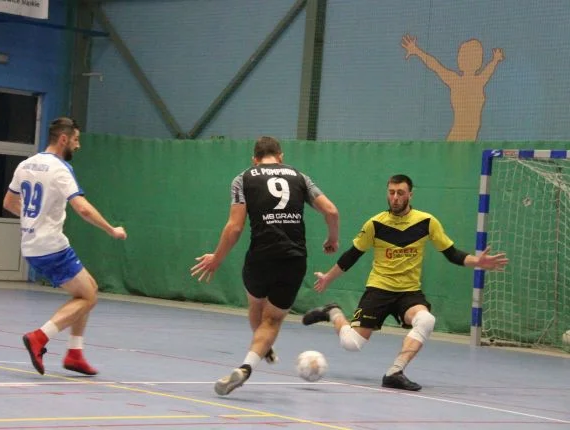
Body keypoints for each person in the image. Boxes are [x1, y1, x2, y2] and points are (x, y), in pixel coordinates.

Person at [302, 174, 508, 391]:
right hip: (379, 289)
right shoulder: (375, 224)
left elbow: (452, 254)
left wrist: (478, 261)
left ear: (410, 194)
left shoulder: (427, 222)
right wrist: (327, 277)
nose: (395, 197)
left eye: (400, 193)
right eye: (391, 192)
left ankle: (395, 371)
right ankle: (333, 312)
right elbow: (351, 256)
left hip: (408, 292)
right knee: (351, 344)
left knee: (426, 320)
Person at [191, 136, 340, 396]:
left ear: (254, 159)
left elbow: (235, 226)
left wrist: (217, 257)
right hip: (294, 258)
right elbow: (332, 211)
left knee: (256, 307)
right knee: (271, 321)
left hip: (261, 255)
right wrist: (332, 238)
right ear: (280, 156)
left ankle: (261, 348)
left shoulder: (243, 178)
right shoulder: (299, 177)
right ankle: (248, 365)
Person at [3, 117, 127, 376]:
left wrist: (34, 221)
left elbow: (9, 203)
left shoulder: (25, 165)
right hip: (51, 246)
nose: (78, 145)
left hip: (32, 244)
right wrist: (111, 229)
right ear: (63, 139)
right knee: (89, 297)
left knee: (88, 288)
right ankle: (39, 337)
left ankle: (75, 353)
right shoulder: (60, 169)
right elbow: (81, 207)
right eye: (76, 140)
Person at [401, 34, 504, 142]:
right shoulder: (456, 81)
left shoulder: (478, 81)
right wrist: (416, 51)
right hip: (456, 140)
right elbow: (435, 66)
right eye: (463, 56)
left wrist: (495, 60)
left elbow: (489, 69)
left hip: (469, 143)